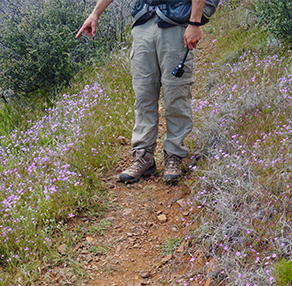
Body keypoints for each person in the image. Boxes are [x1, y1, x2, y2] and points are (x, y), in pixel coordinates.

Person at [76, 0, 204, 184]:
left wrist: (194, 23)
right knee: (144, 93)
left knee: (176, 93)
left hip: (177, 24)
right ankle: (143, 157)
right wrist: (95, 13)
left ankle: (174, 155)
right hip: (144, 22)